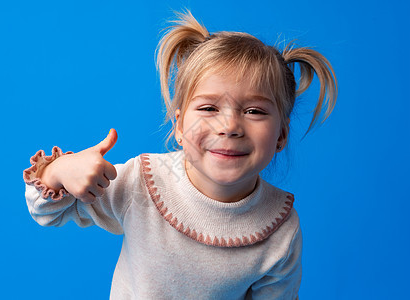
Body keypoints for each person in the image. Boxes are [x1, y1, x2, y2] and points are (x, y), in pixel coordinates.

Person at [24, 10, 337, 299]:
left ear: (281, 135)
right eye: (208, 108)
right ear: (178, 126)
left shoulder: (280, 228)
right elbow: (47, 212)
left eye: (254, 111)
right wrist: (60, 171)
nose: (229, 126)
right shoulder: (142, 182)